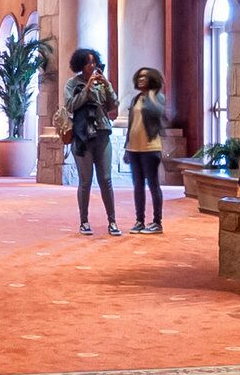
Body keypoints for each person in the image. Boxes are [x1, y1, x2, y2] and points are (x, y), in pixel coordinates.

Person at [63, 47, 120, 236]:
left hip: (102, 132)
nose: (92, 65)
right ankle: (84, 221)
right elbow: (70, 105)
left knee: (106, 179)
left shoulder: (101, 83)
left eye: (94, 61)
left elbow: (113, 105)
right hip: (82, 136)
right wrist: (87, 89)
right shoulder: (72, 83)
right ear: (80, 64)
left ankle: (112, 221)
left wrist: (107, 85)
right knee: (86, 180)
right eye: (88, 62)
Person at [125, 67, 172, 235]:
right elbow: (131, 124)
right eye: (139, 76)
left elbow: (158, 112)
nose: (141, 79)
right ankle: (140, 221)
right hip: (134, 148)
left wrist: (151, 94)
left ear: (152, 79)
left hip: (150, 148)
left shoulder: (158, 97)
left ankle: (157, 222)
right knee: (138, 185)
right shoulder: (136, 99)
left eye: (145, 77)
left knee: (153, 184)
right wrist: (126, 147)